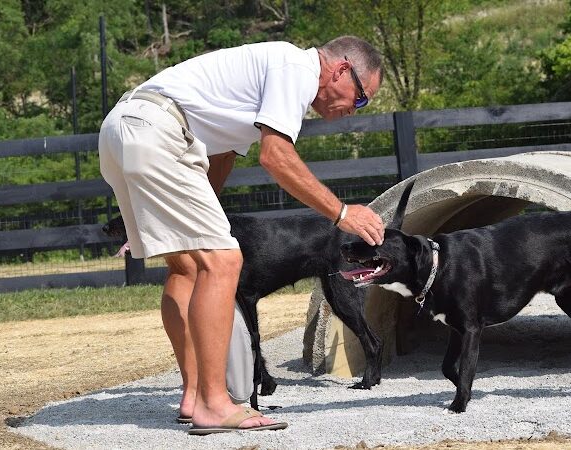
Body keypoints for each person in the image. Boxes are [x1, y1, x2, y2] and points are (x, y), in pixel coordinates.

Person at [98, 35, 385, 434]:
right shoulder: (297, 68)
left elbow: (221, 156)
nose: (353, 111)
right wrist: (341, 213)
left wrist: (199, 216)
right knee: (224, 261)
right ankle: (215, 405)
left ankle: (195, 394)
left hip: (123, 128)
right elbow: (276, 156)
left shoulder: (264, 76)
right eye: (360, 98)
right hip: (159, 132)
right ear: (340, 70)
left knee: (187, 265)